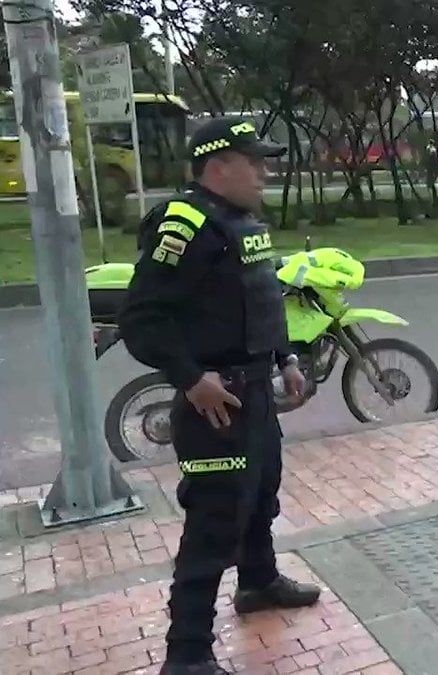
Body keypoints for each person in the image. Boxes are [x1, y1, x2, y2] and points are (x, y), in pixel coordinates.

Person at [118, 117, 321, 675]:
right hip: (215, 401)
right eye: (253, 160)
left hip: (255, 391)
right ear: (218, 165)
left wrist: (286, 358)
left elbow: (261, 299)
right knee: (213, 523)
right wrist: (189, 377)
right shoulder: (184, 223)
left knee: (259, 496)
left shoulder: (240, 221)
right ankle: (186, 655)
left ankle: (257, 582)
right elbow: (142, 317)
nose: (263, 170)